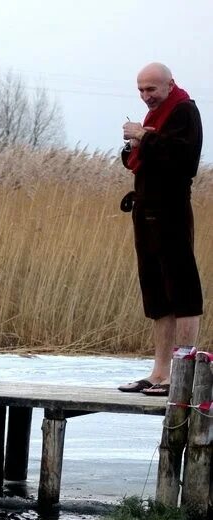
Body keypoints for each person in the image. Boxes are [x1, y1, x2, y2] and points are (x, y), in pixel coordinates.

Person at [118, 63, 204, 397]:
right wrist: (133, 145)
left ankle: (181, 375)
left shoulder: (184, 111)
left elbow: (184, 159)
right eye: (140, 90)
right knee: (156, 293)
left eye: (151, 89)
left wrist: (142, 136)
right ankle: (159, 371)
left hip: (172, 210)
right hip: (146, 209)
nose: (145, 96)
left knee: (182, 289)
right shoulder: (156, 117)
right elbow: (141, 158)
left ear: (169, 85)